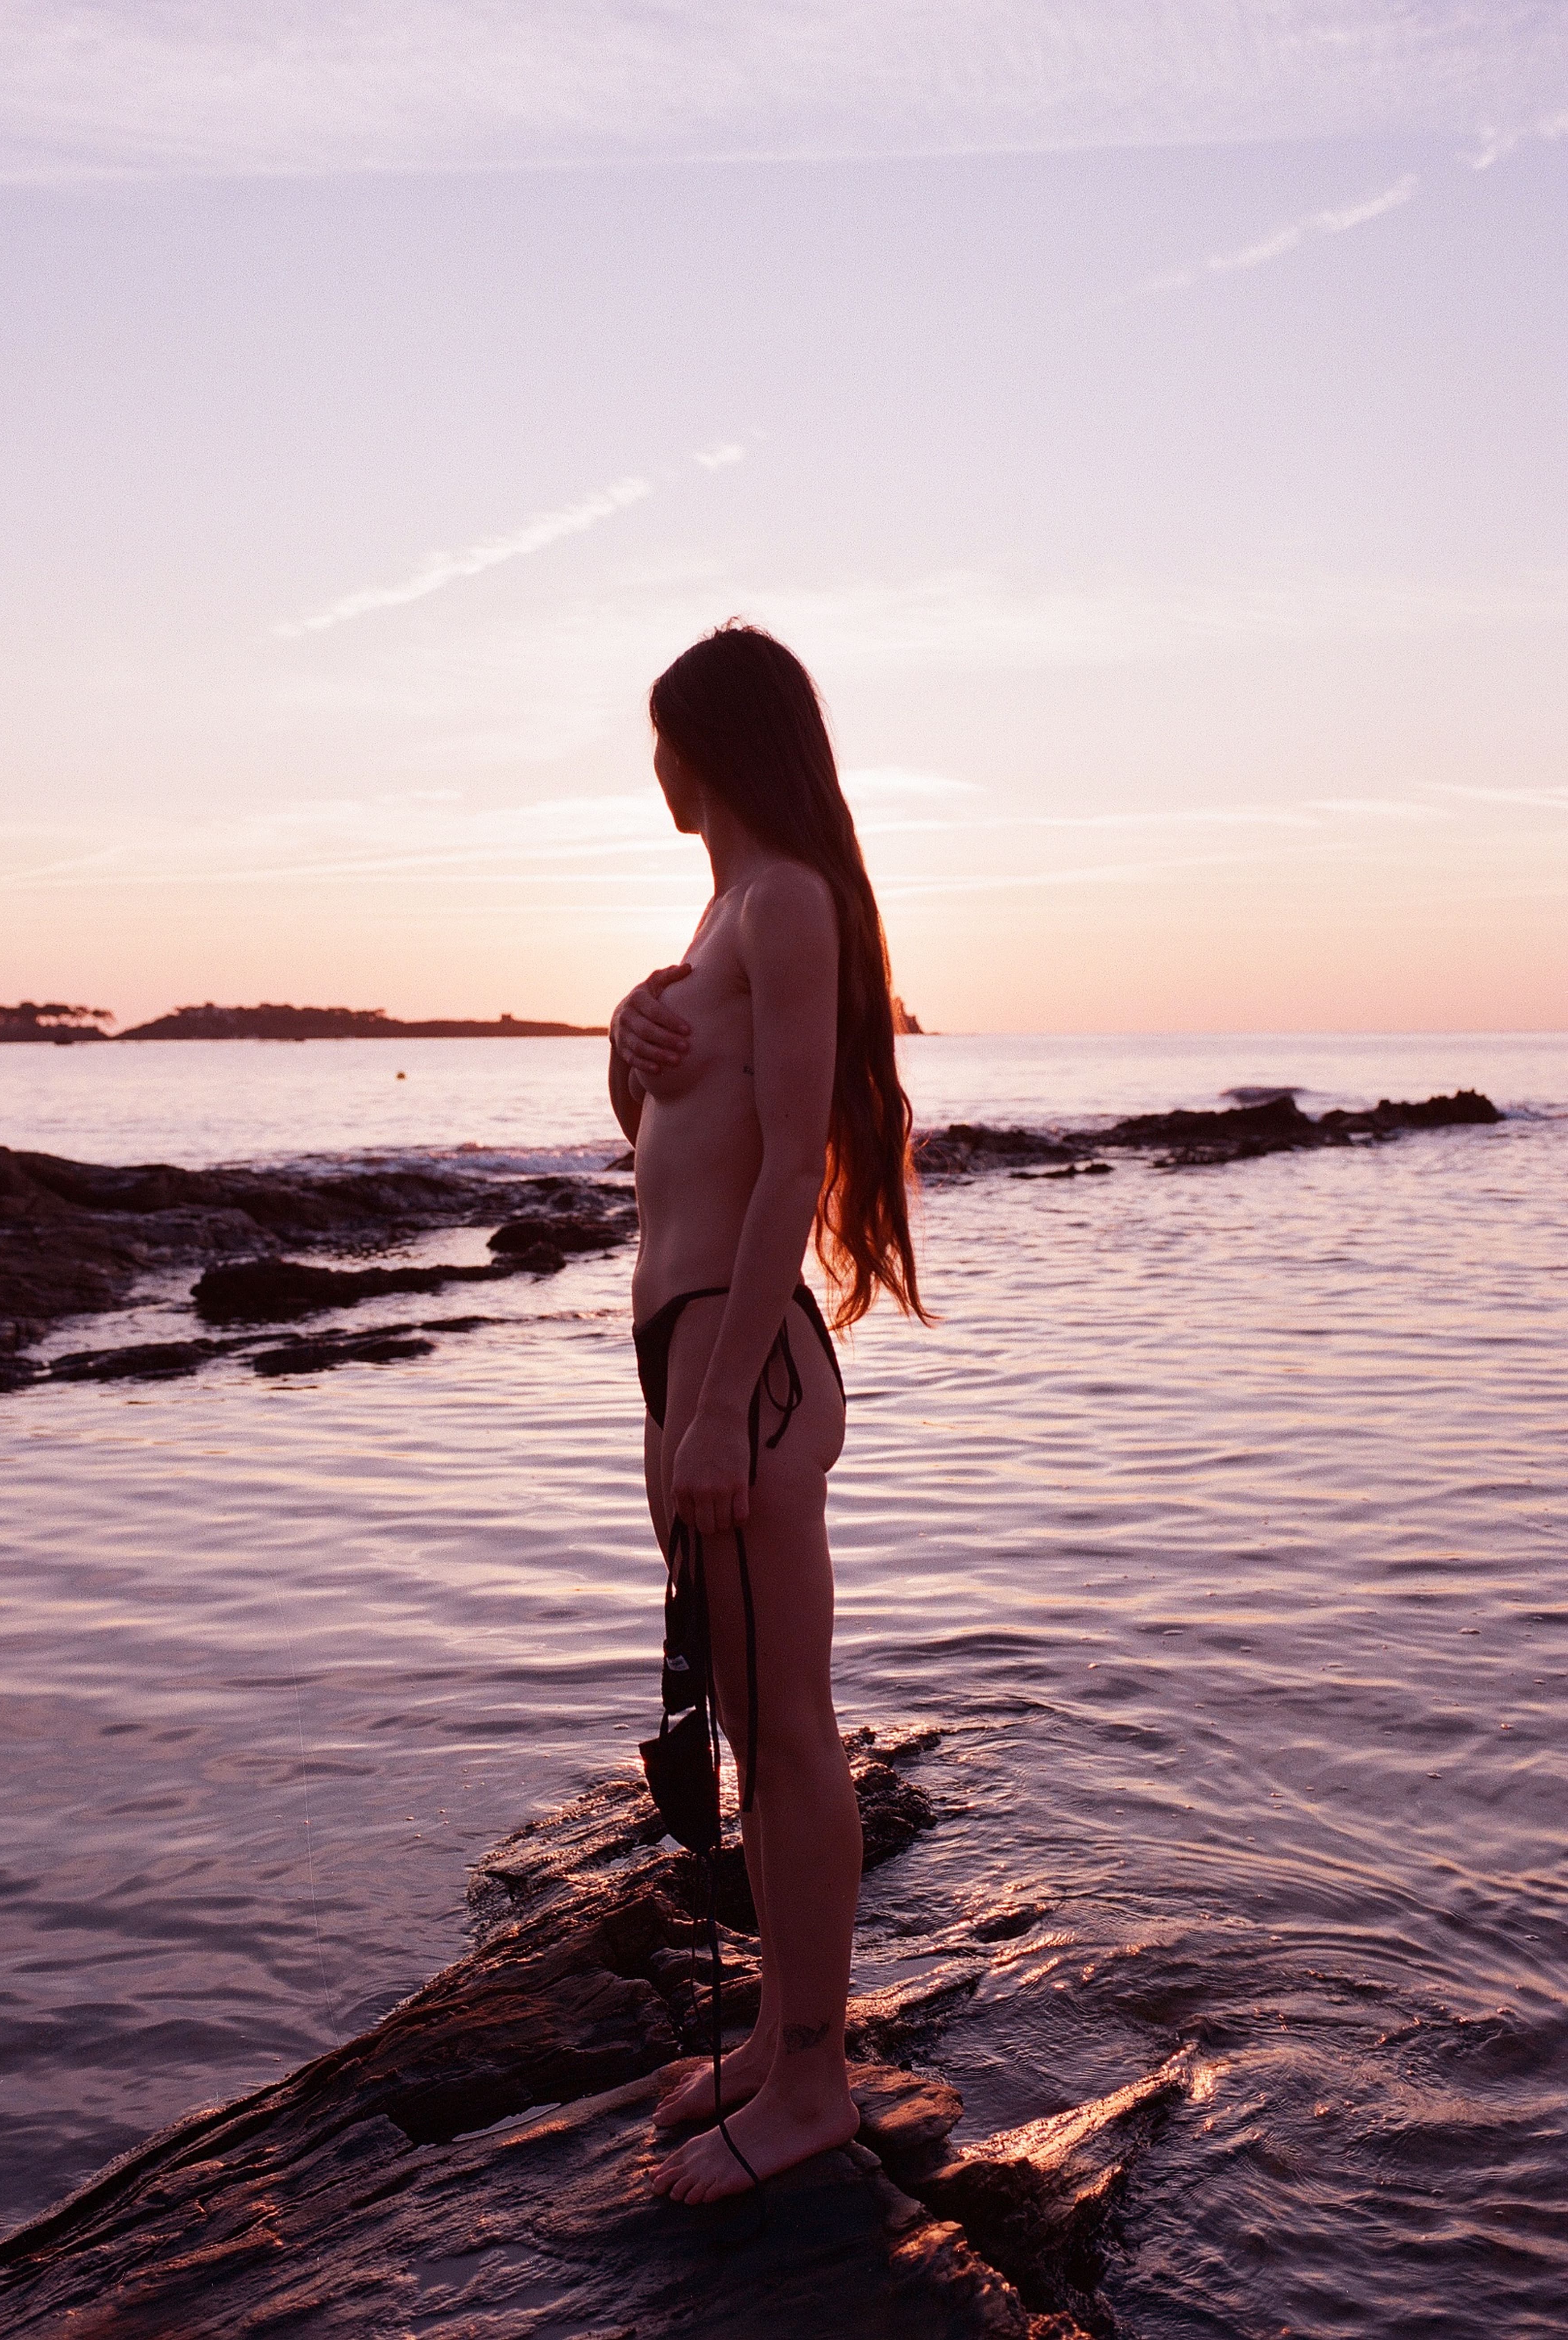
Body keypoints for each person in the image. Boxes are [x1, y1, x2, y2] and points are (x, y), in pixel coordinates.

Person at [607, 622, 927, 2205]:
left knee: (791, 1741)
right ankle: (781, 2038)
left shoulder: (786, 900)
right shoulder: (727, 907)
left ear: (710, 745)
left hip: (749, 1368)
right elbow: (676, 1142)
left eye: (662, 740)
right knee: (749, 1726)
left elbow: (792, 1166)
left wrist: (721, 1407)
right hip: (702, 1359)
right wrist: (628, 1037)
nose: (651, 768)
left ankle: (814, 2085)